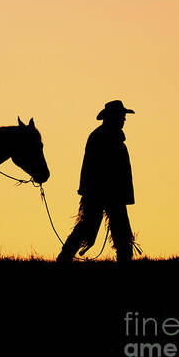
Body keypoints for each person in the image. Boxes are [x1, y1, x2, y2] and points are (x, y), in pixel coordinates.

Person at [57, 100, 138, 264]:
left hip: (104, 191)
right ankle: (65, 258)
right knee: (111, 228)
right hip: (105, 192)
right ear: (113, 117)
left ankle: (65, 257)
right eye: (122, 116)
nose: (124, 120)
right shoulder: (104, 136)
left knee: (96, 227)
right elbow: (103, 167)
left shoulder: (103, 135)